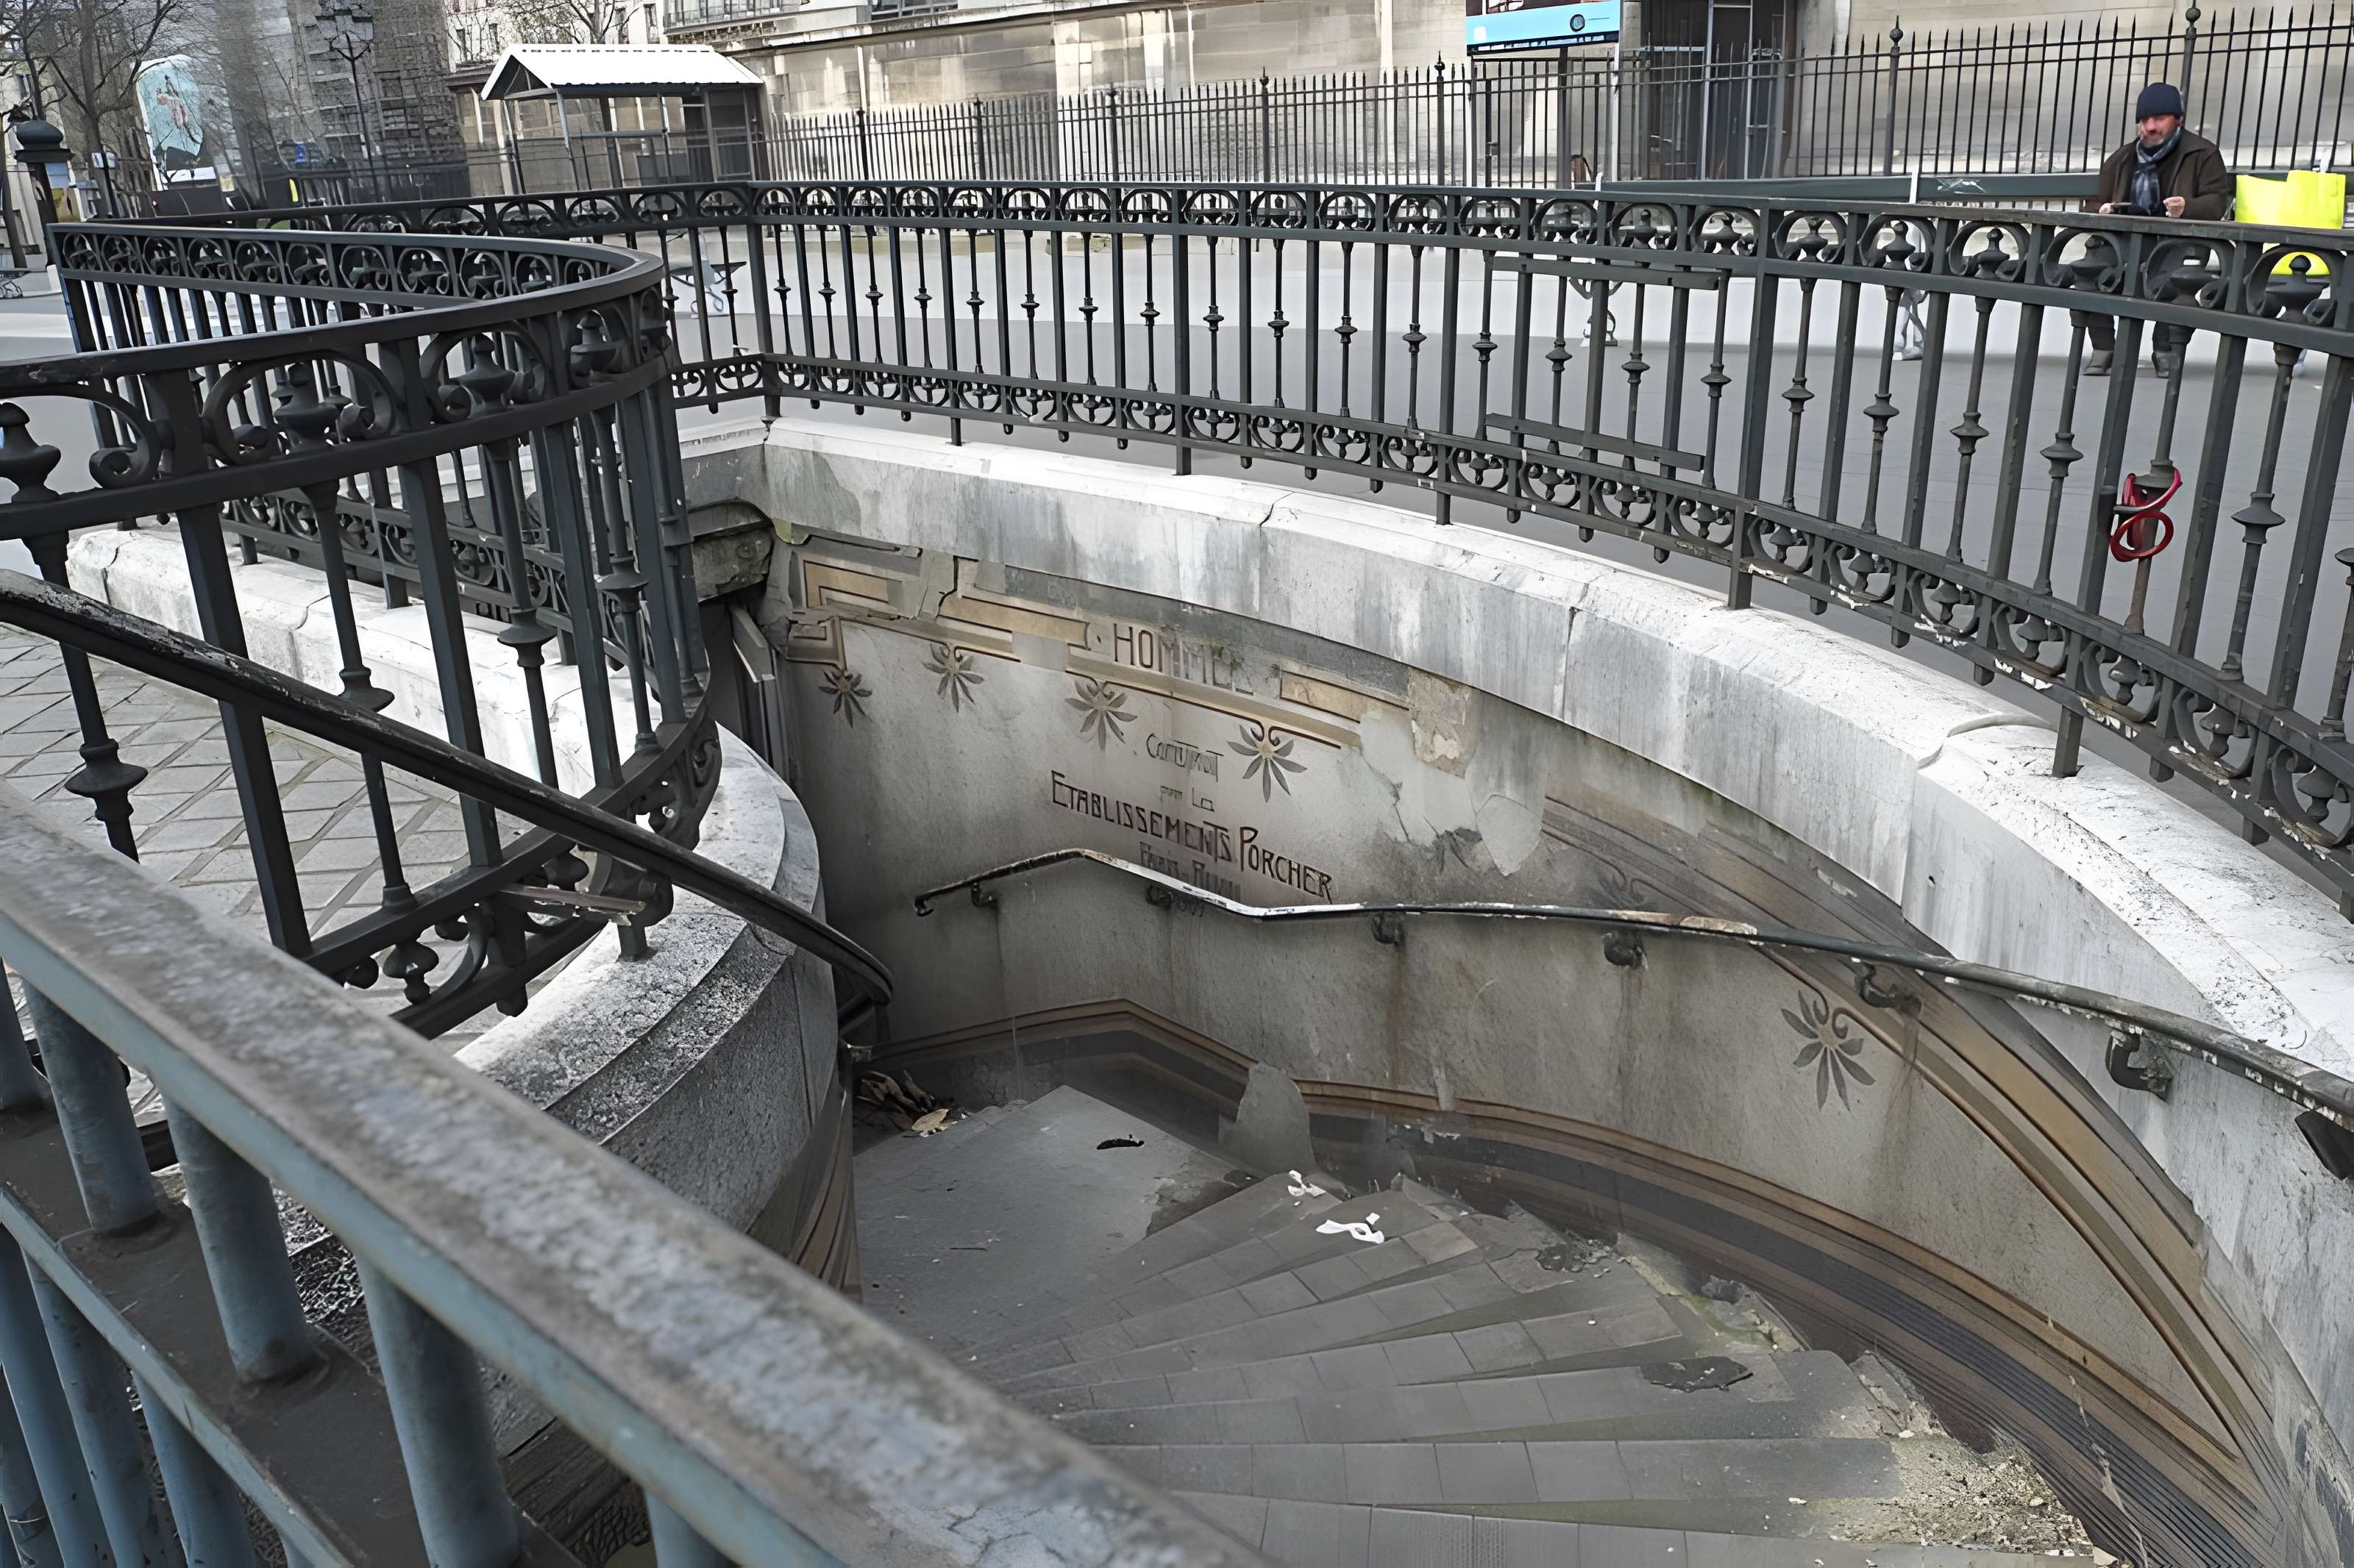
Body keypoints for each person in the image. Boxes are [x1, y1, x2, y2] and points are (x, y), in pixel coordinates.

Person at [2081, 83, 2231, 377]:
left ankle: (2165, 349)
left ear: (2179, 120)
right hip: (2125, 237)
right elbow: (2094, 202)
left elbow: (2217, 202)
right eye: (2144, 120)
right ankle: (2103, 347)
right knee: (2090, 268)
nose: (2150, 127)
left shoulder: (2202, 153)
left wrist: (2185, 207)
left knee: (2182, 275)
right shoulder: (2123, 158)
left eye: (2159, 119)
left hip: (2176, 240)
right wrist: (2103, 209)